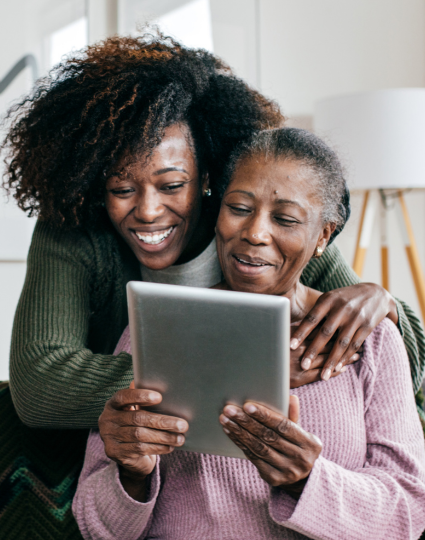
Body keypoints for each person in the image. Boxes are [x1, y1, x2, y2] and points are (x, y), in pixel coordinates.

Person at [2, 32, 424, 433]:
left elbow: (405, 364)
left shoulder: (267, 230)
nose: (148, 211)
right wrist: (249, 369)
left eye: (172, 186)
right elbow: (41, 386)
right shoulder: (75, 228)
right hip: (135, 456)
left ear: (207, 177)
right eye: (122, 189)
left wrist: (385, 305)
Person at [73, 128, 425, 540]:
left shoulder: (374, 341)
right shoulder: (156, 326)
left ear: (323, 236)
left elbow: (409, 512)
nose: (255, 233)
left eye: (285, 219)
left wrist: (308, 481)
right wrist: (130, 474)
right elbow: (94, 525)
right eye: (238, 208)